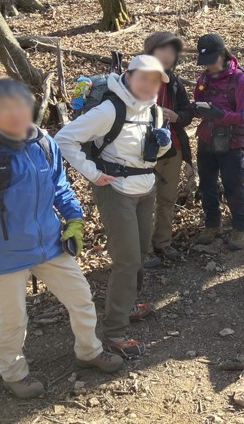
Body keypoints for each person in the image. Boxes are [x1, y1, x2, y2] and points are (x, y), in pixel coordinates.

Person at [0, 79, 123, 399]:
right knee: (14, 318)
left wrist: (74, 219)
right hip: (3, 254)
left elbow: (60, 187)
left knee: (81, 298)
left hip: (50, 244)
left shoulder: (44, 143)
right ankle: (14, 374)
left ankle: (89, 350)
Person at [56, 56, 172, 358]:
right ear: (129, 76)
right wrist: (93, 173)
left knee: (141, 252)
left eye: (155, 80)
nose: (149, 85)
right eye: (143, 78)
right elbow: (64, 139)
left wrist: (164, 143)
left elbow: (153, 152)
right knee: (127, 261)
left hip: (145, 188)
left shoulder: (155, 111)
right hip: (116, 191)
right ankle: (114, 332)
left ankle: (128, 304)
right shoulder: (110, 109)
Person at [192, 33, 244, 250]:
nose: (209, 67)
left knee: (233, 186)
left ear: (222, 54)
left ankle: (240, 226)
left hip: (231, 143)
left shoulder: (239, 79)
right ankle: (212, 224)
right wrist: (197, 110)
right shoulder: (203, 79)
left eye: (212, 62)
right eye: (205, 63)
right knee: (207, 185)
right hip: (206, 140)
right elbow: (197, 102)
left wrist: (220, 115)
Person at [143, 32, 194, 269]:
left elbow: (187, 113)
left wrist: (177, 116)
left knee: (167, 198)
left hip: (172, 149)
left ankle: (162, 242)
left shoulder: (174, 81)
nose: (167, 56)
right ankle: (143, 249)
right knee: (142, 202)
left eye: (172, 52)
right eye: (163, 50)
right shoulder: (137, 78)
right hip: (143, 153)